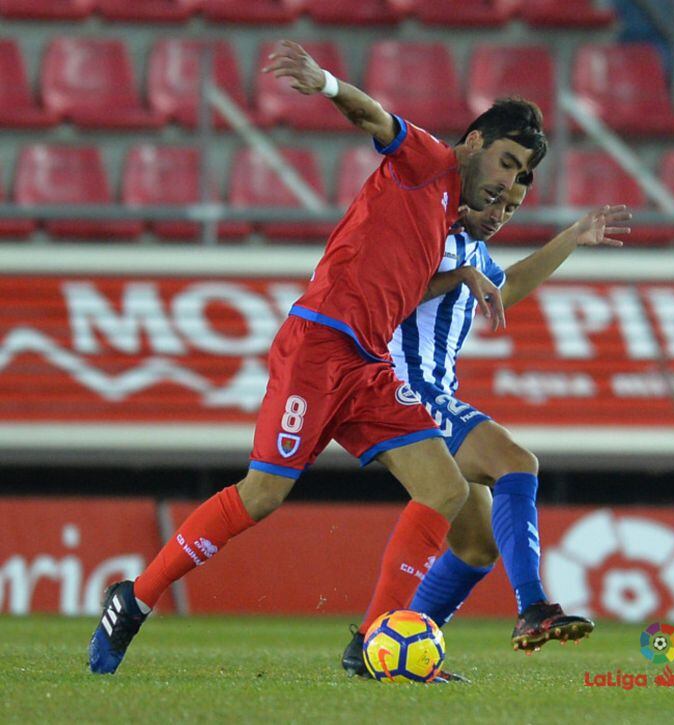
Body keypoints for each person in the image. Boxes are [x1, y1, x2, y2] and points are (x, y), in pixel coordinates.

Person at [88, 40, 547, 674]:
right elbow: (375, 119)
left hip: (368, 367)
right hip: (319, 346)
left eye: (519, 174)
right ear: (472, 142)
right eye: (505, 161)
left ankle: (372, 643)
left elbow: (419, 276)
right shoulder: (428, 160)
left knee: (443, 489)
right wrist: (326, 82)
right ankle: (135, 599)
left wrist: (467, 275)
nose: (506, 180)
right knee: (262, 496)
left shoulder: (450, 213)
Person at [341, 177, 631, 678]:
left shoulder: (473, 250)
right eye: (495, 199)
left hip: (434, 393)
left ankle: (375, 653)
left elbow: (507, 287)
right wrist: (461, 276)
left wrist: (569, 238)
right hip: (402, 388)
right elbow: (393, 291)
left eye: (512, 208)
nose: (500, 214)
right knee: (515, 462)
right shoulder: (430, 236)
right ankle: (533, 606)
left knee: (476, 544)